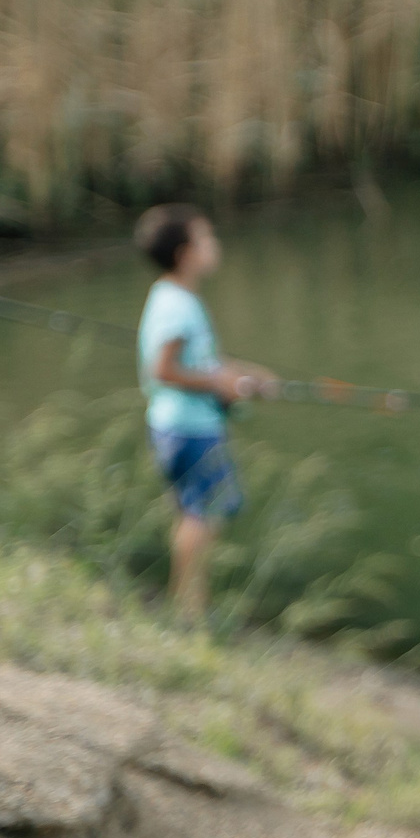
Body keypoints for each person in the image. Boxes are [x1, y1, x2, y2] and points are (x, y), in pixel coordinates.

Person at [134, 204, 276, 617]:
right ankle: (189, 607)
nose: (215, 245)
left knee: (191, 513)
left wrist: (245, 377)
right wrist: (220, 383)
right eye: (206, 238)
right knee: (203, 516)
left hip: (171, 424)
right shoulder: (179, 306)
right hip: (191, 429)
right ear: (185, 254)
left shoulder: (168, 296)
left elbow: (200, 363)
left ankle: (187, 601)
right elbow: (162, 369)